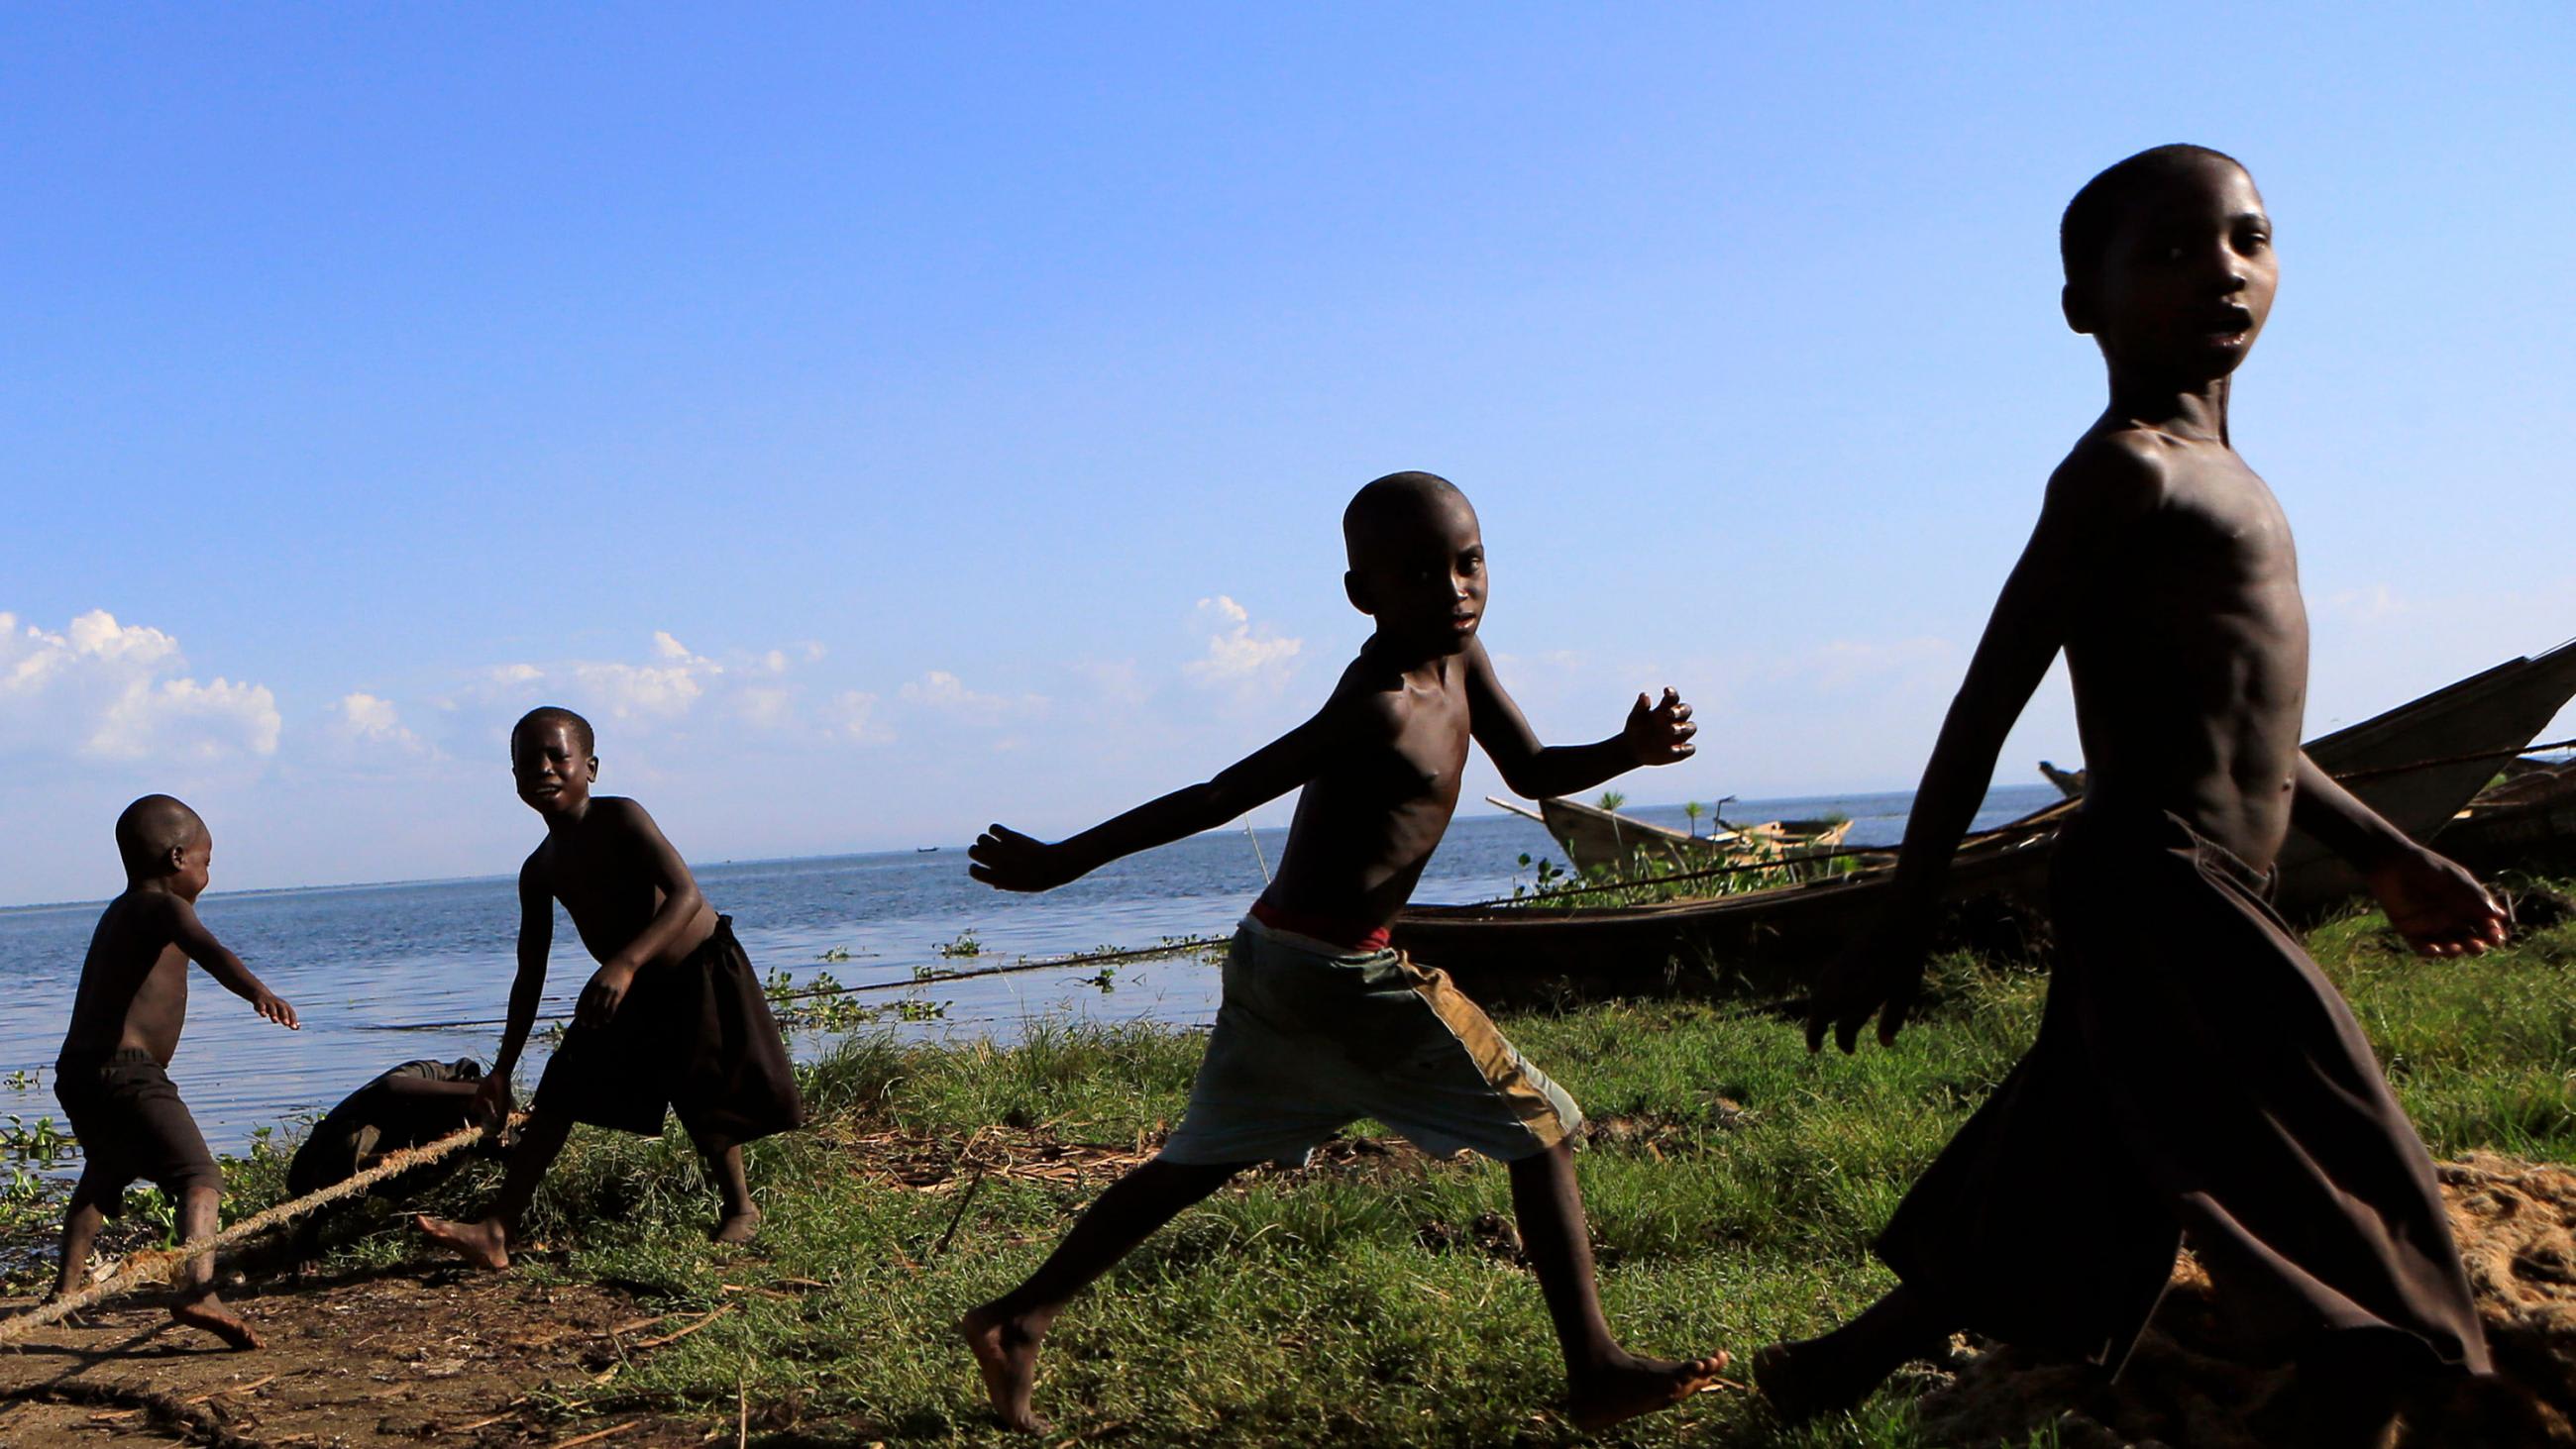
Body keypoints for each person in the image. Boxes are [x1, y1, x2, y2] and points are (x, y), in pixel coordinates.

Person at [1760, 146, 2502, 1445]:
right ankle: (2368, 1363)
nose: (2223, 268)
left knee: (2080, 1145)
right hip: (2163, 882)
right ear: (2081, 305)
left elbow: (2259, 737)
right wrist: (1899, 911)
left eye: (2249, 238)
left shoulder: (2237, 475)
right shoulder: (2127, 470)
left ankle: (1839, 1363)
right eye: (2169, 250)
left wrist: (2388, 852)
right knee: (2362, 1199)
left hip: (2204, 883)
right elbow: (1984, 703)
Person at [957, 471, 1728, 1434]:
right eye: (1416, 572)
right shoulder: (1379, 699)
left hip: (1274, 956)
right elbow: (1217, 792)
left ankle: (1017, 1317)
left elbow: (1531, 772)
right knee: (1540, 1123)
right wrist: (1063, 859)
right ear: (1363, 594)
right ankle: (1598, 1369)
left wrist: (1626, 746)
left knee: (1196, 1159)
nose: (1453, 588)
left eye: (1468, 561)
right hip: (1336, 971)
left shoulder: (1462, 660)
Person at [416, 707, 803, 1268]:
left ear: (590, 767)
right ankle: (496, 1229)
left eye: (558, 756)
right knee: (560, 1090)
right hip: (627, 987)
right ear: (515, 777)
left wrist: (624, 963)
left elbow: (685, 895)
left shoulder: (621, 817)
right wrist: (501, 1069)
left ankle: (741, 1209)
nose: (544, 769)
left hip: (696, 966)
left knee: (706, 1088)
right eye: (528, 761)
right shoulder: (540, 868)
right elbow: (530, 972)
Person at [50, 794, 299, 1349]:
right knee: (200, 1179)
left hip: (80, 1071)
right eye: (207, 862)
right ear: (178, 858)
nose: (209, 874)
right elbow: (210, 950)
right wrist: (258, 991)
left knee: (106, 1170)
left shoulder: (118, 909)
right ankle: (195, 1287)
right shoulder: (165, 906)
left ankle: (63, 1293)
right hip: (127, 1070)